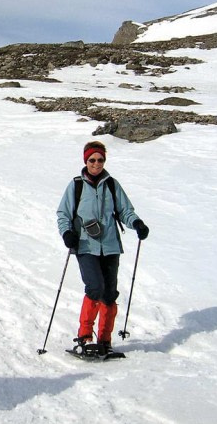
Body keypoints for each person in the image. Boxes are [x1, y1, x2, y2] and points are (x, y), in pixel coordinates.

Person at [56, 141, 149, 356]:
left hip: (110, 246)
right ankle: (85, 337)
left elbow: (125, 211)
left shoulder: (112, 185)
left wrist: (136, 223)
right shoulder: (76, 185)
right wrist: (67, 233)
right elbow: (63, 214)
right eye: (92, 160)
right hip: (85, 246)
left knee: (109, 293)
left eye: (100, 159)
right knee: (95, 287)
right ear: (85, 161)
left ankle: (105, 340)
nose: (96, 163)